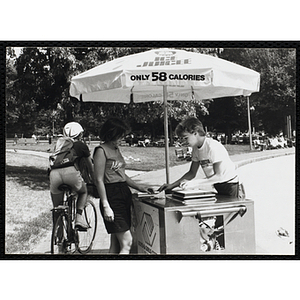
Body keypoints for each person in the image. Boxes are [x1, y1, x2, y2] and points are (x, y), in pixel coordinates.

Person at [93, 117, 153, 254]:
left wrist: (139, 187)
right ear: (111, 134)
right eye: (120, 136)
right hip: (111, 196)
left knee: (116, 242)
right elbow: (99, 180)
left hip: (123, 193)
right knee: (127, 242)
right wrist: (105, 205)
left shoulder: (116, 149)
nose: (122, 139)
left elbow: (121, 175)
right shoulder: (101, 151)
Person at [158, 117, 240, 198]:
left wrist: (194, 183)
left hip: (230, 185)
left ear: (195, 133)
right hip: (217, 184)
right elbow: (192, 173)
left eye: (186, 138)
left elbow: (219, 176)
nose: (184, 142)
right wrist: (172, 186)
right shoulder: (195, 149)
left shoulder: (213, 147)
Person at [49, 122, 94, 230]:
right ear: (80, 134)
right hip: (71, 172)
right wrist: (93, 180)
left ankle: (58, 232)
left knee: (57, 208)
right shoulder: (81, 145)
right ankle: (79, 218)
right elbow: (90, 166)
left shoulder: (59, 144)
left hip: (54, 174)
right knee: (83, 192)